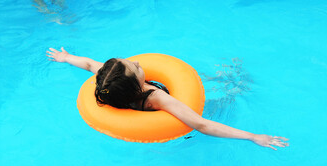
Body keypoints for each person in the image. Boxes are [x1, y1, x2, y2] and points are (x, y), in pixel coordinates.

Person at [47, 47, 289, 150]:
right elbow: (202, 124)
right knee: (228, 96)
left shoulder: (109, 82)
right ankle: (234, 86)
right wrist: (253, 136)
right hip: (172, 122)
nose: (138, 62)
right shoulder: (157, 98)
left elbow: (89, 63)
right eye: (135, 67)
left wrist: (66, 57)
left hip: (141, 112)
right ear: (138, 84)